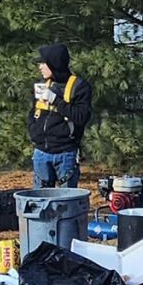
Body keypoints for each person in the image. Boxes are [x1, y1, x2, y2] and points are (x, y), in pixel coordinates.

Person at [27, 43, 92, 188]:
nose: (40, 67)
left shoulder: (79, 87)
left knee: (66, 199)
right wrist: (33, 130)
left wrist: (56, 100)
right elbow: (33, 112)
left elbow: (81, 117)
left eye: (43, 63)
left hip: (65, 154)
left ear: (54, 64)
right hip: (41, 152)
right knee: (40, 199)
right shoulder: (42, 86)